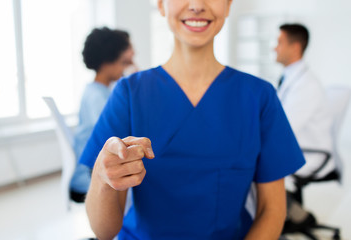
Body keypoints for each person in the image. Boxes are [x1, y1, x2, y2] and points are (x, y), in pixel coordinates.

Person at [80, 1, 305, 239]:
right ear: (160, 5)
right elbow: (103, 231)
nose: (197, 5)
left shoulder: (259, 97)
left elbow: (272, 209)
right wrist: (102, 179)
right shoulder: (129, 94)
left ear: (228, 5)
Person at [274, 23, 334, 232]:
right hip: (298, 145)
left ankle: (292, 217)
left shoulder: (306, 85)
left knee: (258, 167)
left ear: (295, 47)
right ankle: (290, 214)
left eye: (280, 42)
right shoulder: (292, 78)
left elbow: (283, 128)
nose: (275, 47)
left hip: (311, 153)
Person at [70, 27, 135, 202]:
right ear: (108, 63)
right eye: (123, 63)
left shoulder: (96, 91)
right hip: (88, 177)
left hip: (88, 171)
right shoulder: (98, 97)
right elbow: (115, 137)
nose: (124, 69)